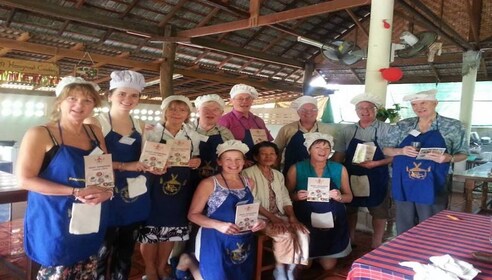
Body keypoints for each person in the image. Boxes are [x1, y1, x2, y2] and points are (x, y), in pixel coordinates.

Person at [17, 76, 113, 279]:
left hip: (90, 212)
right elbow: (25, 179)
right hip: (54, 216)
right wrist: (75, 191)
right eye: (72, 98)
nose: (79, 105)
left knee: (88, 267)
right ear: (60, 101)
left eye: (87, 100)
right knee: (57, 270)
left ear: (94, 105)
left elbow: (103, 170)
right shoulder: (40, 134)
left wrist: (108, 192)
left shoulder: (94, 132)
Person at [85, 70, 151, 279]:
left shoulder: (141, 126)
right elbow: (91, 163)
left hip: (134, 196)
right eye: (122, 94)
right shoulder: (95, 123)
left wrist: (155, 164)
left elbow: (146, 160)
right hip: (106, 195)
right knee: (101, 251)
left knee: (125, 251)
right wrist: (126, 165)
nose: (128, 100)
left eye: (134, 95)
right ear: (110, 95)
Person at [383, 89, 468, 235]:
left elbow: (463, 153)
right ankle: (404, 252)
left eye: (423, 103)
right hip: (404, 182)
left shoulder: (453, 126)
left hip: (434, 181)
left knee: (432, 223)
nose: (418, 107)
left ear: (435, 103)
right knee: (404, 223)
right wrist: (400, 151)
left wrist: (449, 158)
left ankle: (430, 252)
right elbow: (386, 149)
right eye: (414, 104)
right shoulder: (403, 125)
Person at [138, 95, 202, 280]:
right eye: (172, 108)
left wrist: (196, 161)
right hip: (154, 186)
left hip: (180, 188)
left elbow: (196, 157)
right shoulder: (151, 132)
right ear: (164, 111)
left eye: (182, 110)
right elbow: (142, 159)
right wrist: (153, 164)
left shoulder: (192, 134)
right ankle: (149, 269)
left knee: (170, 229)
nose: (177, 113)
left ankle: (161, 266)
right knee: (151, 230)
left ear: (188, 114)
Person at [188, 140, 266, 280]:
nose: (234, 163)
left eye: (238, 159)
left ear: (244, 162)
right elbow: (193, 215)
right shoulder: (209, 183)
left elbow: (249, 211)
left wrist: (259, 222)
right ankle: (188, 262)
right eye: (228, 159)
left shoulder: (249, 183)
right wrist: (219, 225)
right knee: (215, 276)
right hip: (216, 238)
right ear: (219, 162)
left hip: (243, 240)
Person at [332, 93, 394, 249]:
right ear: (355, 110)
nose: (365, 111)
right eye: (361, 108)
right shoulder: (347, 130)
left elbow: (396, 155)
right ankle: (350, 240)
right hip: (351, 175)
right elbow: (339, 154)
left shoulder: (387, 129)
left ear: (376, 110)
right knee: (350, 209)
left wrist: (378, 163)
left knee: (379, 210)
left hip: (377, 175)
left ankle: (376, 243)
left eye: (369, 108)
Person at [242, 141, 309, 280]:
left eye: (272, 154)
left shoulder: (278, 175)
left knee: (303, 232)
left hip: (279, 215)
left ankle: (291, 267)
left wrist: (292, 217)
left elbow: (285, 198)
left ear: (277, 157)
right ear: (255, 157)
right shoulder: (247, 173)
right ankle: (279, 270)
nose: (268, 157)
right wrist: (273, 218)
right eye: (264, 154)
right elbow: (252, 201)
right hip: (258, 217)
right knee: (284, 235)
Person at [286, 132, 353, 271]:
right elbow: (285, 196)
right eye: (317, 147)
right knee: (303, 267)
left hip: (332, 222)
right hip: (305, 221)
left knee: (328, 266)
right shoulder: (296, 168)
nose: (323, 151)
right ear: (309, 149)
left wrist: (339, 197)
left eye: (327, 148)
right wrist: (296, 196)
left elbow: (349, 197)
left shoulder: (339, 169)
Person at [275, 95, 336, 175]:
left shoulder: (328, 130)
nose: (308, 113)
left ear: (318, 111)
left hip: (319, 176)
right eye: (303, 110)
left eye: (313, 110)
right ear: (298, 112)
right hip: (292, 174)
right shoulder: (287, 129)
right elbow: (276, 151)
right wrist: (276, 171)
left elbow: (339, 150)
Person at [218, 83, 273, 164]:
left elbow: (268, 143)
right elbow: (220, 148)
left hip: (260, 163)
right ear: (232, 101)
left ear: (252, 101)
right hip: (236, 165)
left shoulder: (258, 120)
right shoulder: (225, 120)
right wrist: (242, 161)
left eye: (248, 98)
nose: (244, 101)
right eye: (240, 99)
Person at [190, 94, 234, 180]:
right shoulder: (186, 129)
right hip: (187, 177)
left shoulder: (226, 133)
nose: (210, 113)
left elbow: (231, 157)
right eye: (205, 109)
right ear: (198, 111)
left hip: (216, 179)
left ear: (221, 113)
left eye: (215, 110)